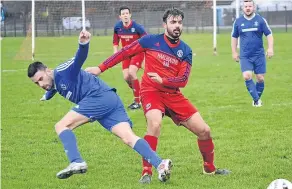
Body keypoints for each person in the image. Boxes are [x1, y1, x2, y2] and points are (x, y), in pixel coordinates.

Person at [85, 8, 230, 184]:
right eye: (173, 22)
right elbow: (125, 52)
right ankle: (147, 172)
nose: (177, 26)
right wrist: (100, 68)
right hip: (151, 92)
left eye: (179, 22)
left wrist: (163, 80)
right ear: (165, 24)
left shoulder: (185, 50)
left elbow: (183, 80)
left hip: (173, 94)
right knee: (154, 123)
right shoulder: (150, 41)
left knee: (204, 131)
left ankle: (209, 169)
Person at [27, 30, 172, 182]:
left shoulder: (63, 71)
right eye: (37, 83)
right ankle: (160, 164)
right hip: (110, 100)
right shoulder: (54, 82)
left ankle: (76, 161)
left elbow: (79, 58)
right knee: (128, 137)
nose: (41, 84)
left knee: (61, 126)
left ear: (48, 70)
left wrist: (83, 43)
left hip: (97, 98)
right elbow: (54, 88)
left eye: (41, 79)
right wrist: (46, 95)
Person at [231, 0, 274, 107]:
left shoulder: (260, 20)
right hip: (245, 55)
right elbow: (234, 37)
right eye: (246, 6)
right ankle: (257, 101)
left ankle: (256, 99)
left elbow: (269, 34)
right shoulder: (238, 21)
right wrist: (234, 52)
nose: (248, 8)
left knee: (260, 78)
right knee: (247, 76)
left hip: (259, 55)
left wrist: (270, 48)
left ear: (254, 7)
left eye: (250, 6)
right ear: (243, 8)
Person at [112, 6, 147, 110]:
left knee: (132, 73)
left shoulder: (137, 27)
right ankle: (141, 93)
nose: (125, 15)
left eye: (127, 13)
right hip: (125, 55)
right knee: (126, 78)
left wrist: (146, 53)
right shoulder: (117, 27)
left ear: (130, 15)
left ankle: (137, 101)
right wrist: (115, 53)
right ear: (120, 17)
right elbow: (115, 42)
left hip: (137, 53)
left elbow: (147, 39)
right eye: (123, 14)